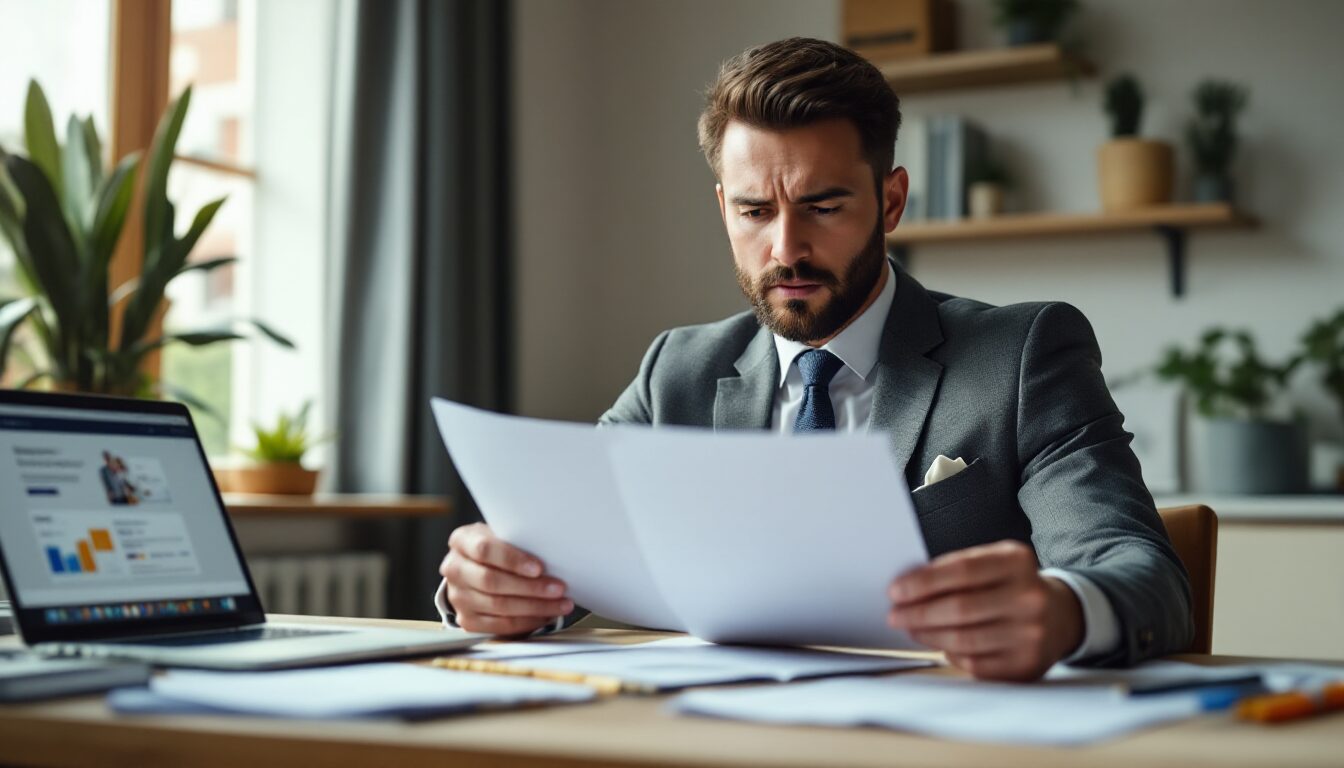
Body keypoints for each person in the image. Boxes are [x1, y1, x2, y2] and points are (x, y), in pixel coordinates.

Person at [437, 37, 1192, 681]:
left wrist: (1063, 611)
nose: (787, 248)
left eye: (823, 207)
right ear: (723, 208)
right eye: (755, 211)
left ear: (891, 202)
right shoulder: (678, 371)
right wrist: (501, 586)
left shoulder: (1022, 357)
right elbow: (570, 557)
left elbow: (1142, 573)